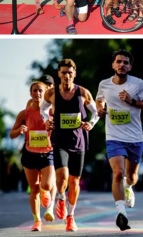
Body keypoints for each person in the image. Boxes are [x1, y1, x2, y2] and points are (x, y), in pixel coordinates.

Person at [96, 50, 143, 231]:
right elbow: (99, 100)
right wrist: (100, 108)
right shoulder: (104, 84)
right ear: (113, 65)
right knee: (118, 173)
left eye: (126, 62)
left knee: (131, 177)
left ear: (130, 66)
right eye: (119, 62)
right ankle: (121, 213)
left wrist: (133, 101)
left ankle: (128, 187)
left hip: (135, 138)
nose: (122, 65)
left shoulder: (138, 84)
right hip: (114, 137)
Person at [40, 59, 99, 232]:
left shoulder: (83, 93)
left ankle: (71, 217)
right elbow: (43, 110)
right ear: (58, 74)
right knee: (62, 176)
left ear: (75, 73)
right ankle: (60, 197)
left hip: (78, 141)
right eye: (63, 72)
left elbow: (95, 113)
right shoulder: (51, 93)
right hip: (59, 140)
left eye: (70, 72)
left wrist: (91, 123)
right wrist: (46, 121)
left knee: (74, 181)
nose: (66, 75)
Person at [10, 81, 55, 231]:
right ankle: (37, 220)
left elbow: (60, 129)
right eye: (35, 91)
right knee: (33, 189)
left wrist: (53, 127)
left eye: (40, 91)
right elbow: (11, 134)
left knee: (47, 185)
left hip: (47, 153)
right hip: (30, 154)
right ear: (31, 93)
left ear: (45, 93)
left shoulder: (51, 111)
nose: (37, 94)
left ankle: (45, 193)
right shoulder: (24, 113)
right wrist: (20, 130)